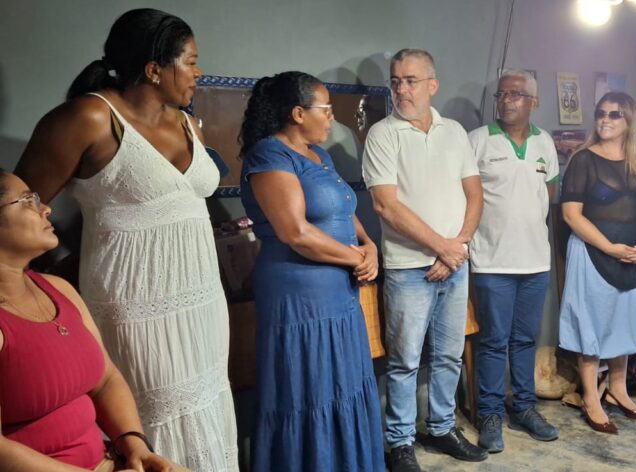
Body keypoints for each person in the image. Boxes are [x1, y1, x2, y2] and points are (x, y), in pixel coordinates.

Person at [14, 9, 237, 469]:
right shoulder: (90, 117)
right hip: (136, 307)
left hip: (202, 301)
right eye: (190, 61)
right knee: (153, 419)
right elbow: (18, 211)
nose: (198, 72)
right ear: (154, 69)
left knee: (208, 404)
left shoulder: (187, 123)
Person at [239, 72, 385, 471]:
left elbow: (343, 209)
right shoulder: (269, 156)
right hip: (299, 295)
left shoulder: (320, 155)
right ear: (298, 113)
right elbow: (296, 233)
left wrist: (369, 245)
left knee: (345, 383)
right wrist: (356, 259)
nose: (331, 118)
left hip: (339, 293)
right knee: (310, 387)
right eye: (326, 109)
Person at [0, 170, 180, 471]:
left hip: (106, 460)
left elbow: (106, 380)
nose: (46, 209)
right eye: (27, 201)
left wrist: (135, 446)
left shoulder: (58, 288)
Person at [362, 48, 487, 471]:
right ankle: (400, 442)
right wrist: (443, 248)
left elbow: (475, 193)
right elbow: (386, 205)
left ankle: (441, 427)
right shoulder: (382, 134)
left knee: (449, 355)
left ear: (433, 85)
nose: (401, 89)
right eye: (395, 81)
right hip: (408, 269)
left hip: (455, 261)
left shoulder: (455, 132)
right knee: (405, 361)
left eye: (411, 80)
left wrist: (458, 247)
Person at [467, 70, 559, 453]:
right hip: (492, 262)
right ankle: (489, 414)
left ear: (533, 101)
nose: (507, 100)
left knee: (525, 340)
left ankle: (523, 407)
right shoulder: (477, 140)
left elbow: (548, 193)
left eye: (516, 94)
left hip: (535, 262)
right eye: (502, 94)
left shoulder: (544, 142)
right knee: (492, 342)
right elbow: (465, 196)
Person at [559, 91, 636, 435]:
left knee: (623, 323)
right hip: (593, 253)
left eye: (614, 114)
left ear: (629, 119)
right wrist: (610, 248)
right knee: (593, 325)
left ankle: (618, 389)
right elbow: (571, 215)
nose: (605, 119)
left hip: (634, 256)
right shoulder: (583, 160)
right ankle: (591, 398)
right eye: (601, 113)